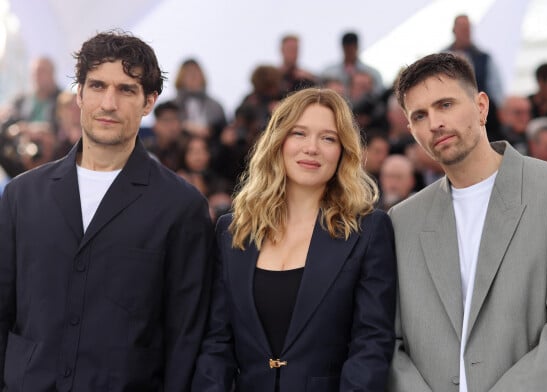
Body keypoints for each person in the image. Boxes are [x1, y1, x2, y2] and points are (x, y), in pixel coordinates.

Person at [0, 30, 213, 391]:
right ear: (79, 95)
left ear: (149, 102)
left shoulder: (182, 207)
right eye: (97, 86)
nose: (109, 103)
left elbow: (186, 337)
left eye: (126, 89)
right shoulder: (23, 195)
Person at [386, 52, 547, 391]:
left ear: (481, 106)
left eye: (445, 105)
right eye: (420, 115)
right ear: (411, 130)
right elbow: (389, 342)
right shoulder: (402, 220)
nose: (434, 123)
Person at [192, 87, 397, 391]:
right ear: (278, 141)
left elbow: (371, 343)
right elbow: (217, 343)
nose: (311, 148)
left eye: (328, 138)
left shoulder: (368, 229)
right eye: (299, 133)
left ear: (343, 150)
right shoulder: (233, 231)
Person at [321, 31, 383, 96]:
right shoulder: (328, 73)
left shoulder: (373, 74)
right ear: (343, 48)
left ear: (357, 47)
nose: (350, 51)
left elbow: (379, 93)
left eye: (352, 47)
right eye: (347, 48)